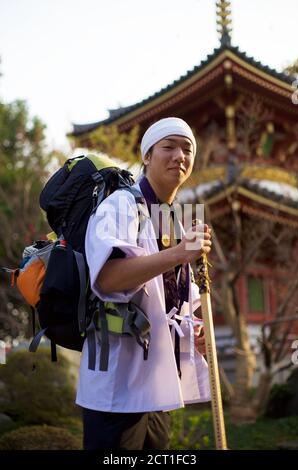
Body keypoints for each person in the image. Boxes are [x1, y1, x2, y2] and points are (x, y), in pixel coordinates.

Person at [76, 117, 212, 450]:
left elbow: (169, 298)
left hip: (157, 386)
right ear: (147, 157)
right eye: (168, 146)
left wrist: (194, 330)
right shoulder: (121, 205)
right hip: (117, 386)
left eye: (187, 148)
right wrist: (179, 254)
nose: (179, 155)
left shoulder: (172, 216)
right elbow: (107, 278)